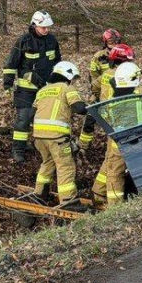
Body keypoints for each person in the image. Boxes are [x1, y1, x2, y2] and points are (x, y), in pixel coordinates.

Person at [2, 10, 61, 162]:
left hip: (46, 88)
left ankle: (40, 146)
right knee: (24, 119)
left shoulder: (52, 40)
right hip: (26, 89)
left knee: (43, 119)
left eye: (48, 27)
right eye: (43, 27)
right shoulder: (24, 41)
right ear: (34, 25)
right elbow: (11, 63)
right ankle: (18, 149)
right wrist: (8, 84)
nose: (46, 30)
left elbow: (57, 62)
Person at [31, 61, 87, 203]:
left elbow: (32, 112)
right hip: (57, 137)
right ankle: (68, 200)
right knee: (65, 166)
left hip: (39, 136)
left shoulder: (42, 90)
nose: (73, 82)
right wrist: (91, 109)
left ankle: (39, 194)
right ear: (68, 75)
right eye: (73, 79)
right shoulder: (66, 88)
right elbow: (79, 108)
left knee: (47, 162)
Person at [93, 61, 142, 207]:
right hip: (141, 142)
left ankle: (113, 206)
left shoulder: (110, 102)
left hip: (118, 145)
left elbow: (105, 120)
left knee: (114, 173)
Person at [80, 28, 123, 148]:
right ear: (105, 42)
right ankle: (83, 146)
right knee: (90, 116)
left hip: (120, 92)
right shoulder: (98, 57)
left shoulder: (123, 53)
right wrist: (97, 93)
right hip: (101, 90)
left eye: (116, 41)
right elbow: (93, 77)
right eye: (111, 42)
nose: (113, 44)